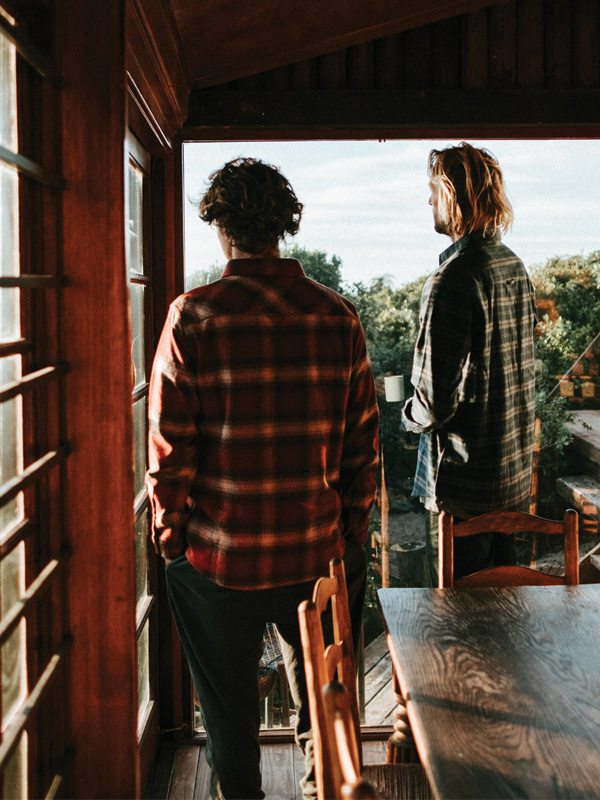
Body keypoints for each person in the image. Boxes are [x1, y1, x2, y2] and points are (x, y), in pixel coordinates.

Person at [146, 158, 378, 800]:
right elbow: (364, 443)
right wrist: (349, 535)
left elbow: (170, 450)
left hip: (221, 558)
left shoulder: (192, 317)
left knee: (228, 722)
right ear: (285, 226)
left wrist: (171, 539)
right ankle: (325, 790)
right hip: (317, 550)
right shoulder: (338, 317)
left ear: (222, 228)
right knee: (327, 709)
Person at [402, 142, 537, 582]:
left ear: (455, 196)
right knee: (506, 611)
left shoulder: (451, 281)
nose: (427, 201)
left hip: (463, 492)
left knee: (459, 628)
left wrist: (405, 416)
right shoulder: (515, 268)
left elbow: (434, 403)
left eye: (433, 191)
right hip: (511, 480)